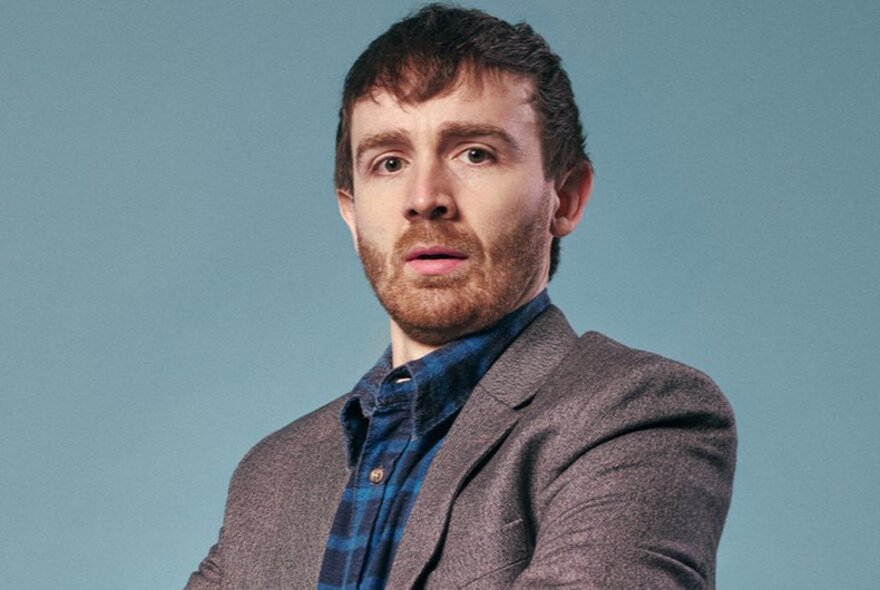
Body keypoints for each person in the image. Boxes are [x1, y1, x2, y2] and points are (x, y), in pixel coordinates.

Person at [186, 4, 736, 589]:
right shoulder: (271, 475)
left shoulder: (637, 413)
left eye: (475, 153)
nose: (425, 198)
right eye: (389, 162)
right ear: (351, 213)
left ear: (566, 198)